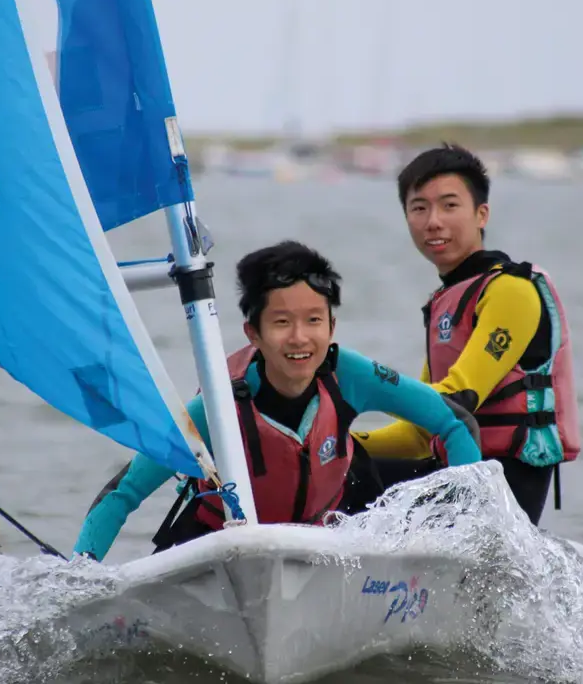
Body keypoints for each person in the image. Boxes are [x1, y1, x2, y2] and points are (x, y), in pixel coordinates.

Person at [72, 240, 482, 562]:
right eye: (282, 322)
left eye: (313, 321)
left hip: (331, 533)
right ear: (253, 333)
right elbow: (123, 492)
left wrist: (468, 536)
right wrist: (81, 571)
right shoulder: (217, 406)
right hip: (226, 544)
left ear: (332, 326)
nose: (300, 338)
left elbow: (454, 423)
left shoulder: (351, 376)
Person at [353, 144, 581, 526]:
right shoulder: (450, 300)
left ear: (481, 214)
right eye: (419, 208)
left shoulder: (511, 291)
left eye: (449, 205)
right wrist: (334, 443)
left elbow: (458, 398)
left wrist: (355, 389)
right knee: (326, 467)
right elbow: (416, 434)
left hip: (501, 488)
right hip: (450, 475)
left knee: (344, 479)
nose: (433, 222)